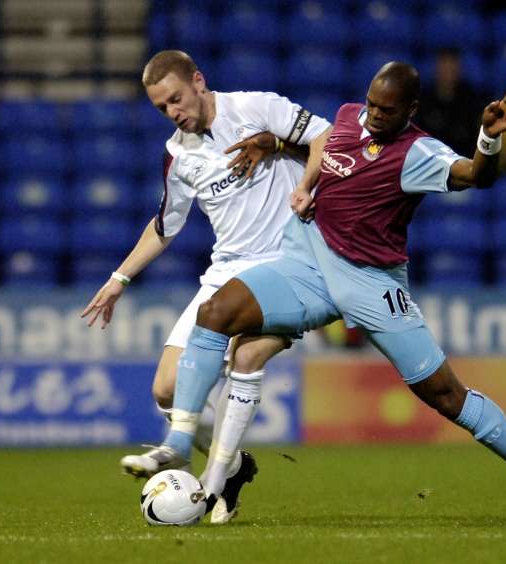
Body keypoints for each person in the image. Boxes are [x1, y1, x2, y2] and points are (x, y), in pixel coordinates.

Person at [156, 62, 506, 522]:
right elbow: (318, 150)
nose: (374, 116)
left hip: (373, 282)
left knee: (446, 395)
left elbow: (475, 176)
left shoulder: (417, 151)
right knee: (215, 311)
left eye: (387, 110)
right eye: (371, 104)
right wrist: (276, 143)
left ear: (411, 109)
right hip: (309, 265)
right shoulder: (346, 118)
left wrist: (489, 138)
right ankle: (183, 443)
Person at [80, 50, 331, 523]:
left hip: (285, 265)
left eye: (176, 99)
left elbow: (325, 137)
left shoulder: (256, 107)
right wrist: (118, 279)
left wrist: (305, 184)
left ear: (198, 81)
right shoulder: (178, 155)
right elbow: (164, 226)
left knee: (245, 358)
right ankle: (233, 468)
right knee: (166, 390)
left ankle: (211, 474)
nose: (173, 112)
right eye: (162, 108)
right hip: (225, 271)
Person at [416, 48, 484, 157]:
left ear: (459, 70)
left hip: (463, 161)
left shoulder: (471, 99)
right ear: (436, 69)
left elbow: (477, 137)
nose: (447, 72)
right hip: (430, 162)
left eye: (451, 67)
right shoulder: (423, 100)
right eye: (444, 67)